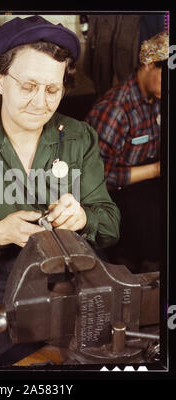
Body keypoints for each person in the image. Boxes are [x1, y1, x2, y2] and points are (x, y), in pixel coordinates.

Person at [0, 15, 120, 366]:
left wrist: (82, 217)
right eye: (28, 86)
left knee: (101, 352)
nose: (40, 103)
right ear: (0, 80)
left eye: (53, 89)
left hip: (70, 271)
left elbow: (109, 225)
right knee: (27, 362)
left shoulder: (79, 138)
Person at [85, 31, 168, 272]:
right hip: (114, 194)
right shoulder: (115, 109)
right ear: (149, 64)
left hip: (146, 183)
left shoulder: (157, 98)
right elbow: (95, 177)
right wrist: (156, 170)